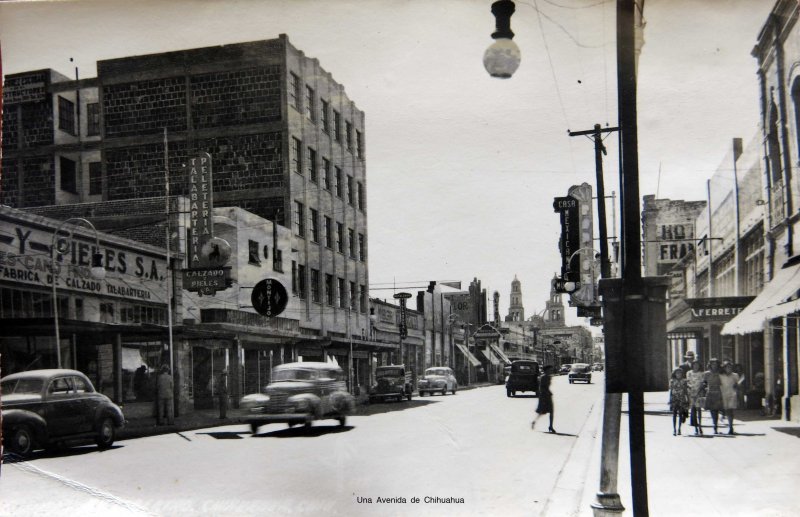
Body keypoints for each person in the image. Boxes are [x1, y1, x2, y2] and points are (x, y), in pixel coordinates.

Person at [531, 365, 555, 433]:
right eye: (550, 370)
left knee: (551, 411)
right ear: (546, 370)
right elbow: (542, 388)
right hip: (544, 396)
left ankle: (550, 426)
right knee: (542, 411)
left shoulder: (549, 377)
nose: (551, 371)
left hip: (547, 395)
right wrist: (547, 393)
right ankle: (534, 422)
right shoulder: (543, 377)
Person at [703, 358, 724, 434]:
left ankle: (716, 424)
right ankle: (715, 425)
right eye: (712, 364)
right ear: (710, 365)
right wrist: (704, 387)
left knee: (717, 410)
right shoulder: (706, 373)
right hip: (710, 392)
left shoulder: (720, 373)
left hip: (719, 392)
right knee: (712, 410)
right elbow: (704, 383)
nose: (714, 366)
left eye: (716, 364)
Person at [719, 361, 740, 435]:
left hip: (732, 394)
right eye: (727, 367)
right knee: (726, 410)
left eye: (730, 367)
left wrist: (736, 386)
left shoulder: (735, 375)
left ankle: (730, 427)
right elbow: (719, 385)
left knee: (730, 411)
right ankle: (729, 424)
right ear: (724, 368)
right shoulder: (721, 376)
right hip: (723, 394)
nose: (729, 369)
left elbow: (738, 385)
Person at [686, 360, 705, 435]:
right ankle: (695, 427)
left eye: (697, 365)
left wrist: (698, 391)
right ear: (692, 365)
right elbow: (687, 382)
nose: (696, 366)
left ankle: (700, 425)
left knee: (699, 409)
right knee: (693, 410)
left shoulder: (702, 373)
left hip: (699, 393)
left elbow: (703, 383)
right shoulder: (689, 373)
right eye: (694, 365)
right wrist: (691, 390)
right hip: (691, 393)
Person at [669, 367, 690, 436]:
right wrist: (670, 399)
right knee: (674, 414)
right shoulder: (672, 381)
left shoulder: (684, 381)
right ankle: (674, 429)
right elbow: (671, 391)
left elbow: (686, 391)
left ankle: (679, 428)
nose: (679, 374)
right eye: (677, 373)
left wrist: (688, 399)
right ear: (675, 374)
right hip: (674, 398)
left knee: (680, 414)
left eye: (680, 373)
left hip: (681, 398)